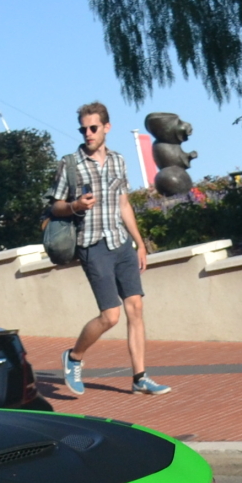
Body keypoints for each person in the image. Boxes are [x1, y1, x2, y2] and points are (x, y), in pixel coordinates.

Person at [52, 102, 167, 397]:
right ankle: (74, 357)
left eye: (93, 128)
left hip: (121, 243)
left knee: (136, 308)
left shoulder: (118, 160)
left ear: (106, 127)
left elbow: (124, 204)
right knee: (110, 316)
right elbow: (54, 205)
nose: (88, 133)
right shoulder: (70, 164)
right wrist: (76, 205)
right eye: (83, 129)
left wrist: (140, 243)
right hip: (92, 245)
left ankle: (140, 377)